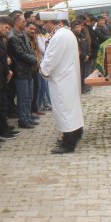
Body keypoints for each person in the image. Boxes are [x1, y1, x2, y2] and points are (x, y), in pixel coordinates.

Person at [39, 12, 85, 155]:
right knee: (72, 109)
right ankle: (75, 134)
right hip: (68, 76)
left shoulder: (58, 36)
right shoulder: (66, 33)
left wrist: (43, 69)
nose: (43, 26)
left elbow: (51, 58)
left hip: (62, 79)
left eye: (44, 24)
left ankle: (69, 143)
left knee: (65, 110)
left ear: (49, 22)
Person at [7, 14, 39, 129]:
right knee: (23, 97)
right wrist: (34, 60)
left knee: (29, 96)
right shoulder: (12, 37)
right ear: (16, 22)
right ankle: (23, 120)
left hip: (28, 70)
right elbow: (20, 54)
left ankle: (28, 116)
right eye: (23, 21)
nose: (25, 22)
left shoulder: (23, 33)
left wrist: (34, 58)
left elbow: (29, 48)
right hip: (20, 71)